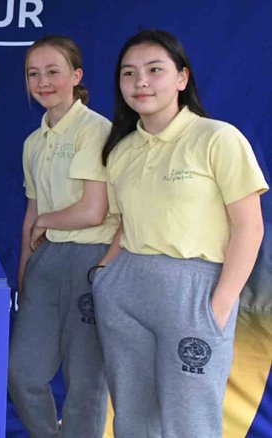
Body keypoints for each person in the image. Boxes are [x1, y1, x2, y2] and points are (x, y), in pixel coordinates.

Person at [93, 29, 267, 437]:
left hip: (195, 291)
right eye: (129, 73)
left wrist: (219, 305)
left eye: (155, 70)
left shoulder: (217, 138)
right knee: (133, 417)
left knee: (190, 421)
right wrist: (102, 276)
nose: (141, 82)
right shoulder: (120, 151)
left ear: (182, 78)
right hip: (126, 290)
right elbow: (122, 225)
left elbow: (249, 226)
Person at [6, 35, 116, 437]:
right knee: (22, 372)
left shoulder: (95, 129)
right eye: (33, 74)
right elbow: (32, 214)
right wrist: (24, 266)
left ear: (76, 75)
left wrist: (43, 224)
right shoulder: (33, 142)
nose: (43, 82)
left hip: (92, 257)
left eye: (53, 71)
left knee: (85, 380)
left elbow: (93, 210)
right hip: (46, 259)